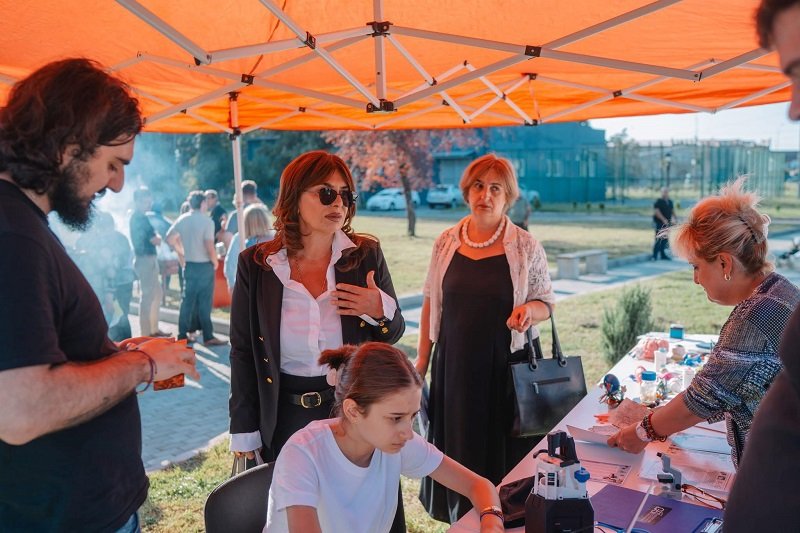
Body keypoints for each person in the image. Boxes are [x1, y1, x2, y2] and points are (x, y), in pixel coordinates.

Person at [0, 58, 198, 531]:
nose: (117, 184)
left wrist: (113, 353)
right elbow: (22, 409)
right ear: (70, 144)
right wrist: (142, 366)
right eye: (113, 164)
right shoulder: (13, 235)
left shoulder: (21, 224)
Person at [608, 177, 800, 469]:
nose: (696, 279)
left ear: (724, 263)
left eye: (696, 267)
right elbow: (728, 387)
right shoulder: (781, 289)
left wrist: (641, 432)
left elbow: (701, 399)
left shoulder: (753, 318)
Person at [415, 153, 555, 523]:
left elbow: (547, 302)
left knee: (502, 458)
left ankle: (503, 520)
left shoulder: (525, 245)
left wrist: (530, 311)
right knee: (459, 451)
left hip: (506, 370)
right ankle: (463, 522)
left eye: (496, 188)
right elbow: (430, 299)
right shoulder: (446, 242)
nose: (486, 195)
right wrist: (422, 361)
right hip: (455, 367)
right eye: (478, 186)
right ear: (467, 191)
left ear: (508, 197)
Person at [265, 342, 504, 533]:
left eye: (412, 416)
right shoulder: (302, 454)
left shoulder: (396, 441)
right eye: (395, 418)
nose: (408, 432)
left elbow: (478, 485)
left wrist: (492, 521)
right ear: (353, 411)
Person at [723, 2, 800, 529]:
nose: (792, 109)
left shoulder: (761, 308)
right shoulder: (772, 292)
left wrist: (643, 430)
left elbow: (709, 392)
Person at [167, 190, 226, 346]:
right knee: (205, 302)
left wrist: (181, 250)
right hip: (204, 265)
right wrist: (215, 262)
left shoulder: (182, 219)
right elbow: (209, 245)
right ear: (203, 203)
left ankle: (182, 334)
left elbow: (169, 238)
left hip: (189, 265)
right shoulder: (207, 221)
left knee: (187, 301)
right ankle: (208, 336)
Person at [75, 211, 136, 342]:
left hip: (121, 284)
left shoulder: (119, 239)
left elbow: (115, 266)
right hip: (106, 287)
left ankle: (123, 344)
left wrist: (109, 293)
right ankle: (114, 343)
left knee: (120, 316)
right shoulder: (94, 240)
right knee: (112, 317)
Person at [130, 186, 169, 336]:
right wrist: (158, 238)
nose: (148, 205)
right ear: (137, 201)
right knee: (147, 297)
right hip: (145, 259)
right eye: (145, 202)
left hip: (148, 259)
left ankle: (153, 329)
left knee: (157, 293)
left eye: (149, 202)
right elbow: (155, 240)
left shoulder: (140, 217)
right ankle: (146, 334)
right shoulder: (140, 218)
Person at [224, 203, 275, 293]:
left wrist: (232, 285)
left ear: (246, 222)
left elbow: (230, 265)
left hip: (248, 288)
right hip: (271, 288)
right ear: (265, 220)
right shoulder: (275, 238)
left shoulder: (239, 238)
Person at [652, 187, 676, 260]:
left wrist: (674, 218)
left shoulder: (670, 201)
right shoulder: (658, 201)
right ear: (661, 193)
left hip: (667, 223)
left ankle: (663, 255)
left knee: (665, 239)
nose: (665, 193)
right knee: (658, 239)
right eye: (664, 192)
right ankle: (654, 256)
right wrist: (663, 219)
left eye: (666, 192)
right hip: (659, 223)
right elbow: (657, 212)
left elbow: (672, 211)